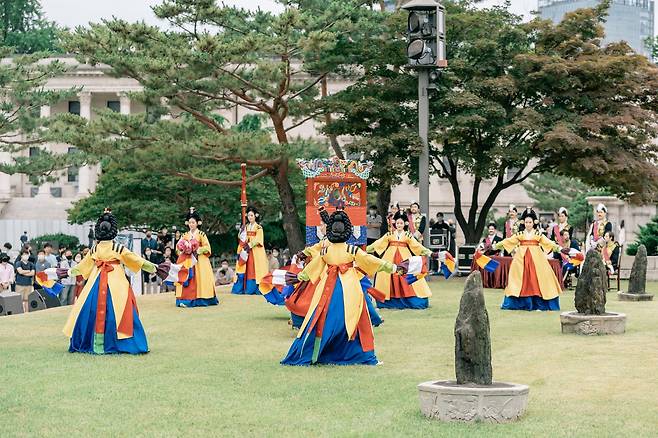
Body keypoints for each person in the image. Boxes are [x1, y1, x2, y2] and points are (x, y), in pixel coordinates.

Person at [281, 209, 401, 366]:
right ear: (348, 230)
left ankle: (317, 351)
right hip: (349, 287)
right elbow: (372, 261)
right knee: (356, 318)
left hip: (327, 288)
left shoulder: (325, 250)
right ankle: (360, 354)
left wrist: (298, 277)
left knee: (321, 318)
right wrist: (393, 268)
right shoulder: (352, 250)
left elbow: (313, 267)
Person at [62, 208, 155, 354]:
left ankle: (92, 343)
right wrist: (154, 268)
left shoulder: (94, 249)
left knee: (88, 309)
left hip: (96, 281)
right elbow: (136, 260)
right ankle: (122, 343)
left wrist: (66, 272)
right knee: (119, 310)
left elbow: (82, 266)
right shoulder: (118, 247)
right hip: (116, 281)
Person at [493, 208, 563, 311]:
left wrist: (559, 248)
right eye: (526, 222)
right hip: (521, 260)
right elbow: (508, 241)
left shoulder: (538, 234)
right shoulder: (520, 234)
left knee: (539, 280)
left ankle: (539, 304)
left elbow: (548, 242)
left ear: (534, 223)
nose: (528, 224)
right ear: (523, 223)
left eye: (530, 222)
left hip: (537, 260)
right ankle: (518, 303)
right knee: (519, 280)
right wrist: (495, 246)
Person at [367, 211, 433, 309]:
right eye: (397, 223)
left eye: (401, 223)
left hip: (405, 260)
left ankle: (413, 300)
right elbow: (378, 243)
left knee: (408, 278)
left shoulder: (408, 235)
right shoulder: (389, 234)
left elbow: (417, 246)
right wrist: (364, 249)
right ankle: (388, 302)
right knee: (388, 277)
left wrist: (429, 252)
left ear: (405, 224)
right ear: (394, 223)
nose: (399, 225)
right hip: (390, 259)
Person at [174, 208, 218, 307]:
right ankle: (185, 299)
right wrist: (183, 249)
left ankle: (202, 298)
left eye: (193, 222)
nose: (191, 224)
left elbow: (208, 248)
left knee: (201, 279)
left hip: (199, 261)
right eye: (190, 222)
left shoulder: (202, 234)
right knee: (186, 279)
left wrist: (198, 250)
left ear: (197, 223)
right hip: (187, 261)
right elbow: (178, 248)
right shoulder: (185, 235)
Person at [232, 206, 270, 296]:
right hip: (247, 251)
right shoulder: (246, 227)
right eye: (248, 215)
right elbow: (241, 237)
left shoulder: (259, 227)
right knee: (248, 268)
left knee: (256, 269)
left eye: (252, 215)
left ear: (255, 216)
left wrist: (249, 244)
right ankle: (247, 287)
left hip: (256, 251)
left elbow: (259, 239)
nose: (250, 217)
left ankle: (258, 288)